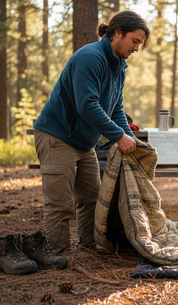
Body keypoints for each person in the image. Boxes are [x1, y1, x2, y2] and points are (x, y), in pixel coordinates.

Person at [33, 11, 150, 254]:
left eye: (140, 43)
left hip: (84, 144)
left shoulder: (119, 66)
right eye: (135, 41)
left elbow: (116, 109)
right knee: (60, 203)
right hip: (57, 136)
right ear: (117, 33)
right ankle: (58, 254)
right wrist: (118, 136)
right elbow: (86, 104)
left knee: (91, 198)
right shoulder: (90, 57)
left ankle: (87, 248)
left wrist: (129, 137)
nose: (137, 48)